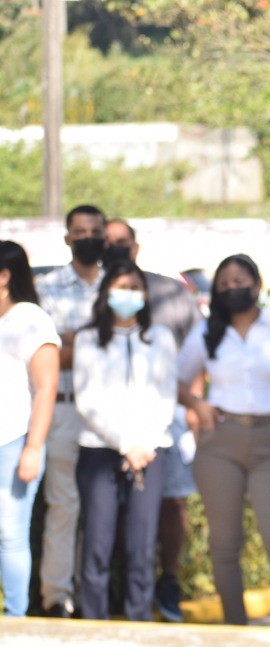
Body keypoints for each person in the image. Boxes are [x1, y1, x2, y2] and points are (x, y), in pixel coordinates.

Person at [178, 254, 270, 628]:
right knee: (225, 542)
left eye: (239, 281)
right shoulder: (206, 332)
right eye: (224, 284)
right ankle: (235, 626)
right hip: (220, 440)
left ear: (257, 284)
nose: (232, 289)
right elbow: (177, 380)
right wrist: (197, 404)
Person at [105, 217, 202, 622]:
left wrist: (192, 408)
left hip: (166, 419)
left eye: (122, 241)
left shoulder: (170, 292)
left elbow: (197, 352)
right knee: (113, 508)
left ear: (136, 246)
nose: (115, 248)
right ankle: (117, 587)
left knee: (170, 502)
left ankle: (168, 580)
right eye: (108, 242)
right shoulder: (96, 294)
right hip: (107, 424)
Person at [73, 260, 178, 621]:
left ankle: (139, 619)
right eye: (120, 287)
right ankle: (94, 620)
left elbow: (167, 396)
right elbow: (87, 401)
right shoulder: (88, 338)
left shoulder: (160, 337)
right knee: (97, 542)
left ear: (145, 294)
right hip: (100, 449)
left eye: (134, 288)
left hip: (150, 452)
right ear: (106, 293)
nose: (127, 295)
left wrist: (143, 444)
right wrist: (124, 443)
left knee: (141, 544)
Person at [35, 204, 107, 617]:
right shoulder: (47, 289)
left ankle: (93, 597)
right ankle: (56, 596)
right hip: (63, 409)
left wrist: (73, 342)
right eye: (80, 232)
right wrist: (91, 343)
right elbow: (46, 357)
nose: (88, 238)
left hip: (107, 416)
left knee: (100, 509)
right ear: (67, 238)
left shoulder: (117, 286)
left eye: (95, 231)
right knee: (64, 505)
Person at [0, 242, 60, 617]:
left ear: (4, 276)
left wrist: (33, 447)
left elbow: (47, 387)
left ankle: (14, 617)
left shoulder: (30, 319)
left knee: (9, 534)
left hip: (14, 440)